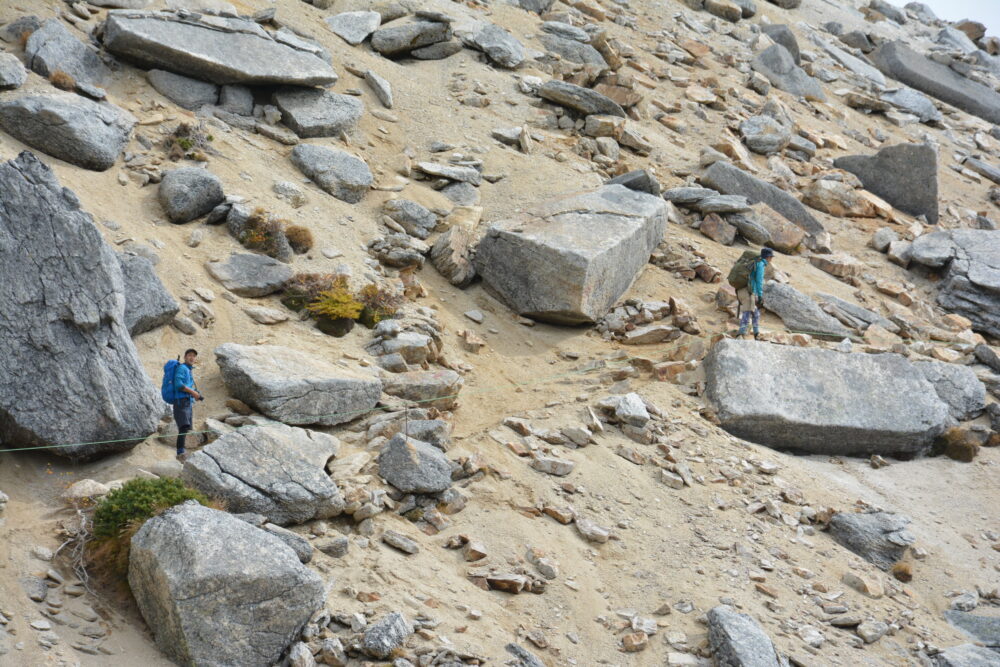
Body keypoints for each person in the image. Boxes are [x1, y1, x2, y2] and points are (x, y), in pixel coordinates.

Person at [172, 349, 202, 462]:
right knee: (183, 427)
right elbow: (178, 384)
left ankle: (183, 451)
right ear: (185, 357)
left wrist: (195, 394)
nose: (192, 358)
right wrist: (193, 393)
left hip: (187, 401)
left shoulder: (189, 370)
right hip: (180, 402)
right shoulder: (182, 368)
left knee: (187, 427)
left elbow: (187, 386)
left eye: (194, 356)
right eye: (189, 355)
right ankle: (180, 452)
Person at [736, 248, 773, 339]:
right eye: (771, 257)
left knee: (755, 313)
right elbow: (759, 281)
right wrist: (760, 295)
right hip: (748, 291)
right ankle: (740, 334)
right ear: (768, 257)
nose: (771, 259)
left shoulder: (755, 262)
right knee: (747, 312)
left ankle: (756, 333)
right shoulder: (760, 264)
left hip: (741, 290)